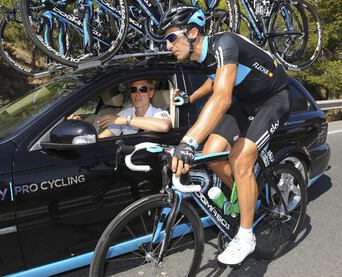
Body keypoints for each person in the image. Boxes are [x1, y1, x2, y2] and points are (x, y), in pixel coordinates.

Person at [160, 5, 291, 265]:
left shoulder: (225, 43)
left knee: (240, 161)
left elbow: (222, 97)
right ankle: (245, 197)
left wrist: (188, 141)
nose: (168, 45)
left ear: (193, 32)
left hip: (273, 99)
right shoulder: (203, 58)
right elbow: (215, 81)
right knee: (210, 155)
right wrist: (190, 98)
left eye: (172, 37)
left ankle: (246, 236)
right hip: (244, 103)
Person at [98, 79, 171, 138]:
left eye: (143, 89)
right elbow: (104, 136)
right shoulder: (124, 113)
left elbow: (164, 126)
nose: (137, 94)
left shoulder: (158, 113)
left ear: (151, 93)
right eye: (133, 89)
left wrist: (124, 120)